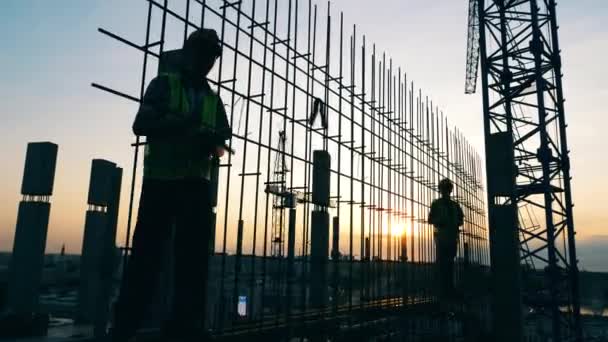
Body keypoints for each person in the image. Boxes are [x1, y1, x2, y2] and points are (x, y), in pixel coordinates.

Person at [111, 28, 231, 342]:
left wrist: (211, 144)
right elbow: (141, 124)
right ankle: (125, 328)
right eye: (203, 53)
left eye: (211, 56)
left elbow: (221, 145)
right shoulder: (165, 85)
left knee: (192, 265)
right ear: (189, 52)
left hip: (195, 188)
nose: (207, 61)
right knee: (146, 259)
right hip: (161, 184)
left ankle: (184, 328)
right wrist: (184, 127)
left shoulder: (213, 100)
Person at [428, 178, 464, 300]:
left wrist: (453, 224)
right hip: (442, 238)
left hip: (451, 238)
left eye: (446, 189)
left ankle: (448, 289)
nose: (445, 191)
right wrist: (441, 222)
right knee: (443, 264)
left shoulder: (455, 205)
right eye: (444, 189)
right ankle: (443, 290)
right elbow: (430, 220)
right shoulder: (436, 204)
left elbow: (460, 220)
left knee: (449, 264)